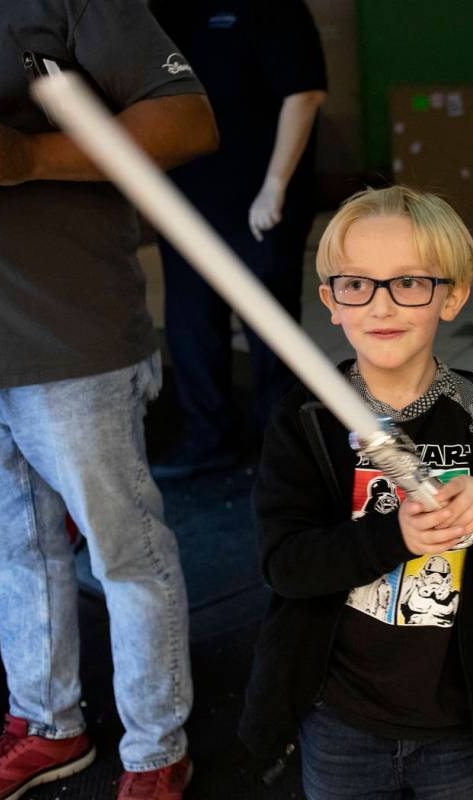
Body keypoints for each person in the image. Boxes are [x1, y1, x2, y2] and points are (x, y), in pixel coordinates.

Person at [0, 2, 219, 799]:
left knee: (124, 557)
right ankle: (47, 727)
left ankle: (154, 750)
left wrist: (29, 156)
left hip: (69, 339)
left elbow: (187, 121)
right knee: (14, 556)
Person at [238, 186, 473, 798]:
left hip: (461, 726)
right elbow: (286, 565)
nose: (381, 305)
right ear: (331, 300)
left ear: (453, 295)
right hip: (337, 720)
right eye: (356, 283)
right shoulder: (303, 420)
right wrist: (396, 535)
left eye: (409, 282)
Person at [150, 0, 327, 478]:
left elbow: (304, 94)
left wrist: (275, 186)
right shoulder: (167, 11)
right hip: (187, 202)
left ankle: (283, 451)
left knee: (271, 332)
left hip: (260, 204)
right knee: (192, 329)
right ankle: (209, 441)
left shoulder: (269, 8)